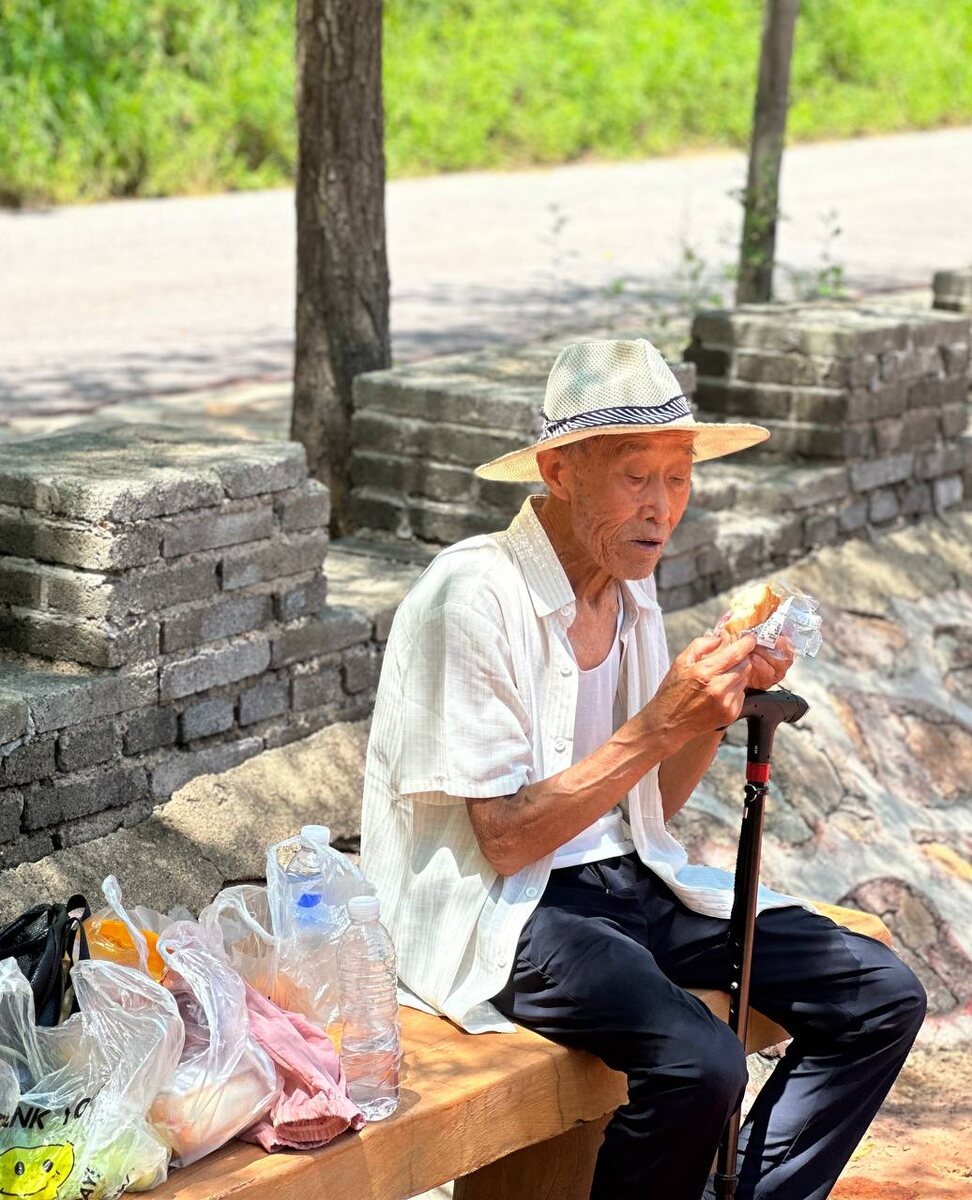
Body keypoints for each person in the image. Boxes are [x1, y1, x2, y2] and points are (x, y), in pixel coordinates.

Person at [360, 338, 926, 1200]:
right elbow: (506, 841)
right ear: (557, 471)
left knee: (879, 993)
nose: (662, 508)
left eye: (679, 477)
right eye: (636, 476)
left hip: (626, 879)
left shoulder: (630, 584)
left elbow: (648, 806)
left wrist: (711, 709)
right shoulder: (469, 596)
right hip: (503, 912)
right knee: (698, 1064)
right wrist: (662, 720)